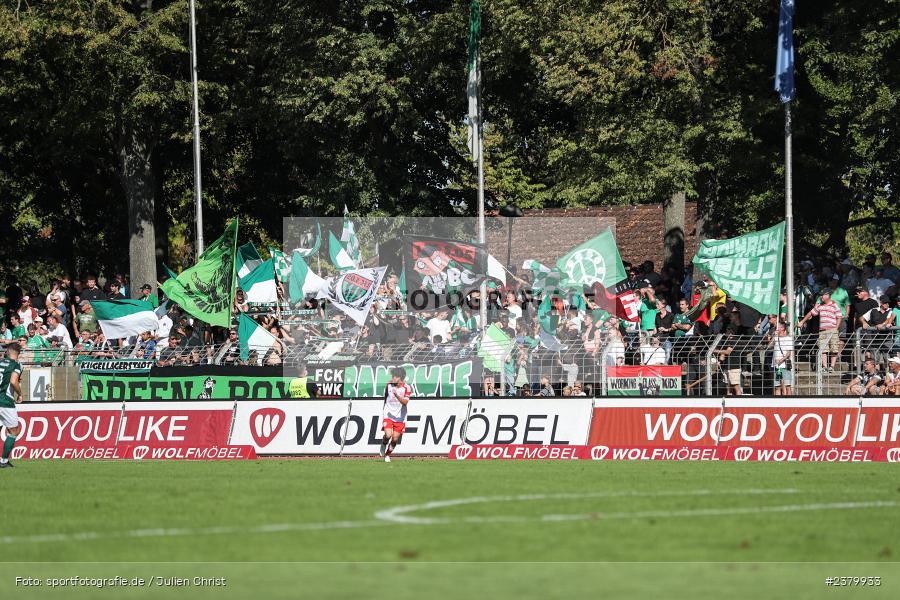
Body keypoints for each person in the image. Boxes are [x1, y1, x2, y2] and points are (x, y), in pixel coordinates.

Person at [799, 289, 843, 373]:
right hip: (822, 330)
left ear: (828, 295)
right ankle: (825, 367)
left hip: (832, 329)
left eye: (822, 295)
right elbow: (811, 313)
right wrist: (802, 321)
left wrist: (835, 329)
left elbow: (839, 317)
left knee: (834, 349)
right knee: (823, 349)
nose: (821, 297)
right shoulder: (820, 306)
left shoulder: (834, 305)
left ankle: (832, 367)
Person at [379, 367, 411, 463]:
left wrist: (396, 395)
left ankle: (387, 455)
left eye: (394, 376)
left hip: (400, 417)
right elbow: (386, 396)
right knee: (388, 435)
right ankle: (383, 443)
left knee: (395, 439)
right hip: (388, 414)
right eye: (392, 376)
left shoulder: (407, 387)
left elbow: (405, 402)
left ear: (400, 378)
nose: (392, 378)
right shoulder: (389, 385)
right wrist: (384, 409)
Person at [0, 343, 24, 468]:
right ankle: (3, 461)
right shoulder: (17, 365)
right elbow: (13, 380)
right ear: (17, 354)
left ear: (8, 352)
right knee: (14, 431)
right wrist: (20, 394)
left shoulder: (0, 362)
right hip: (5, 401)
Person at [771, 322, 794, 396]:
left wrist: (780, 360)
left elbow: (788, 354)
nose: (777, 328)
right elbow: (769, 346)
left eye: (778, 327)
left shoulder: (788, 339)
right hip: (778, 368)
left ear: (783, 328)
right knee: (777, 386)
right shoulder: (776, 338)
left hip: (784, 366)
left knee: (787, 385)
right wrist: (774, 336)